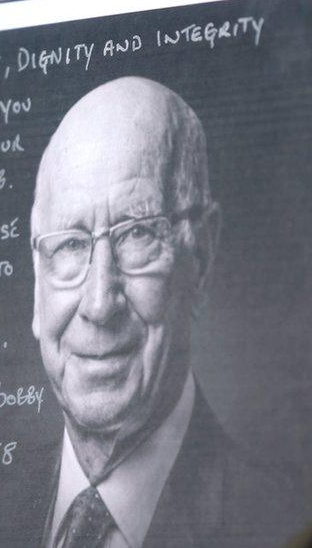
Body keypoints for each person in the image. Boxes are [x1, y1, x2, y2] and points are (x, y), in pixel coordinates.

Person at [26, 76, 300, 548]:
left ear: (203, 255)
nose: (98, 304)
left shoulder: (284, 520)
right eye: (70, 244)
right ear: (37, 274)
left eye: (137, 234)